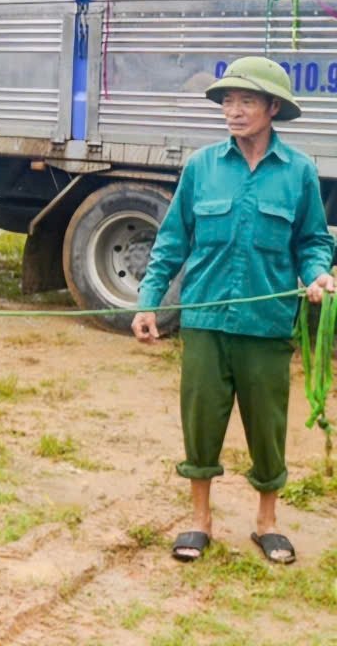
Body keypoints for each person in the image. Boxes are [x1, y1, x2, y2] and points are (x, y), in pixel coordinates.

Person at [132, 56, 336, 566]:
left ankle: (267, 522)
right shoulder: (202, 166)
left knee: (267, 425)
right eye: (227, 101)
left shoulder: (299, 173)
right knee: (201, 420)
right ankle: (199, 520)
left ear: (272, 108)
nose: (234, 110)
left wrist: (316, 273)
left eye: (246, 101)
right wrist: (148, 301)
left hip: (266, 326)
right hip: (204, 320)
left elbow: (312, 241)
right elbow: (172, 241)